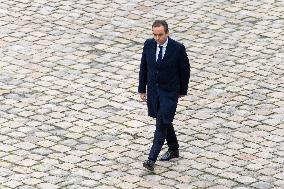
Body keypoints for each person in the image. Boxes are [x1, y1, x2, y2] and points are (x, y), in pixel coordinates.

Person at [138, 20, 190, 171]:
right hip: (154, 92)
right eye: (154, 35)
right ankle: (174, 149)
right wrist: (142, 89)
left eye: (160, 35)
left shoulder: (178, 49)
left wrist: (182, 91)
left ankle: (151, 159)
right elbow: (144, 68)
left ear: (167, 33)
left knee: (160, 125)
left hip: (170, 93)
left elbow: (185, 71)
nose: (157, 38)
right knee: (165, 120)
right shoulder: (148, 45)